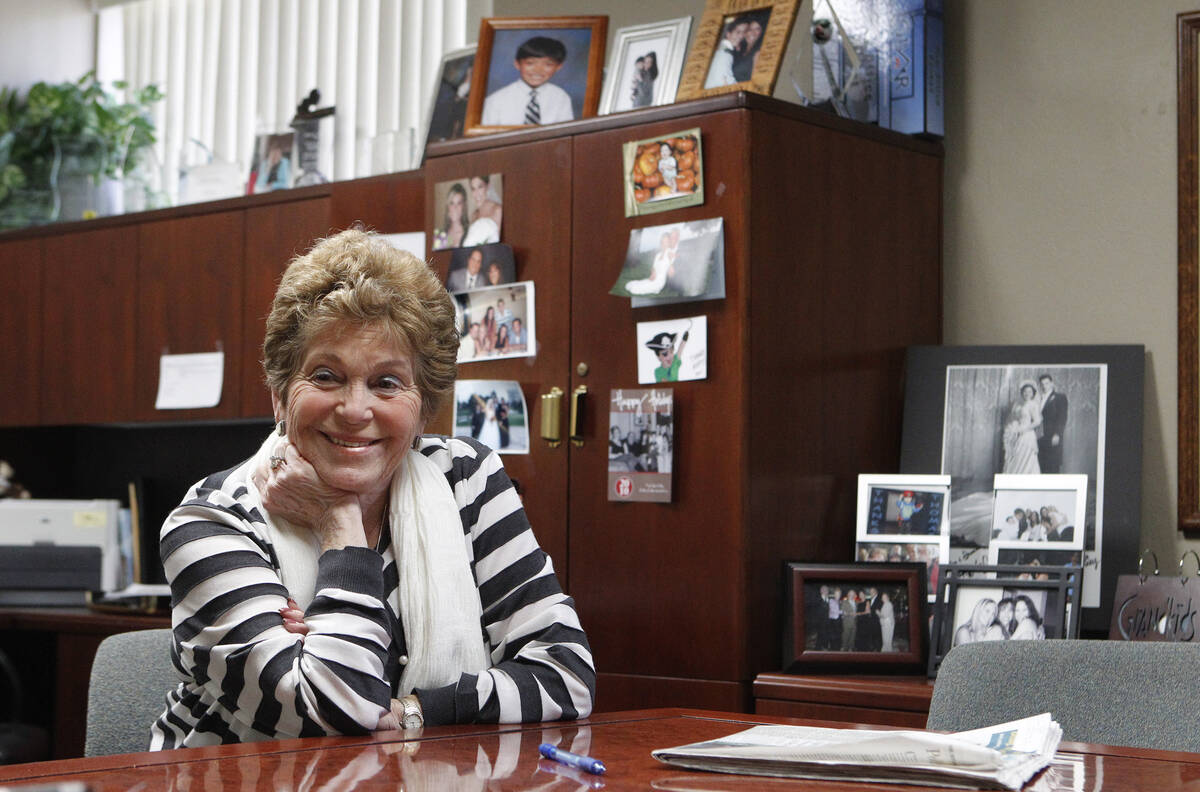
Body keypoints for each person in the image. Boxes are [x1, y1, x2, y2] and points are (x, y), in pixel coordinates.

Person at [149, 229, 593, 749]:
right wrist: (339, 524)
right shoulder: (211, 521)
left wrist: (418, 709)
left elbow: (567, 675)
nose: (355, 410)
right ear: (278, 395)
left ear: (424, 408)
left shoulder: (465, 478)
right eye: (326, 375)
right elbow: (334, 713)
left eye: (386, 382)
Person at [482, 36, 574, 126]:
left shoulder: (561, 97)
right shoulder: (495, 101)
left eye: (548, 64)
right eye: (530, 63)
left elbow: (566, 135)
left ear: (558, 67)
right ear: (517, 64)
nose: (538, 70)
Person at [1002, 381, 1042, 474]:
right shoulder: (1018, 405)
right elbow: (1015, 419)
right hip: (1017, 433)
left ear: (1033, 393)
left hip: (1027, 434)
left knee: (1025, 457)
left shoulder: (1033, 404)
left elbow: (1037, 421)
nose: (1027, 394)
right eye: (1025, 391)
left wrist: (1023, 429)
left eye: (1029, 392)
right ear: (1022, 392)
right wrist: (1013, 427)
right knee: (1015, 456)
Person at [626, 229, 679, 295]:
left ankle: (654, 288)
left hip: (659, 282)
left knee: (634, 290)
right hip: (653, 279)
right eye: (662, 241)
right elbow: (653, 267)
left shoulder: (670, 253)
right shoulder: (658, 255)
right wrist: (653, 272)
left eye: (666, 241)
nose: (664, 244)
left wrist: (670, 264)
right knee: (630, 285)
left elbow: (671, 273)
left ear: (669, 243)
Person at [704, 17, 748, 88]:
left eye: (743, 32)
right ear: (728, 34)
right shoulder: (725, 53)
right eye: (738, 32)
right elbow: (723, 81)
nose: (741, 36)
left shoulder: (720, 49)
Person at [1038, 373, 1068, 473]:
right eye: (1042, 384)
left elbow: (1062, 417)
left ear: (1052, 384)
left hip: (1052, 436)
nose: (1044, 386)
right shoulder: (1038, 398)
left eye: (1046, 383)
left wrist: (1057, 434)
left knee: (1052, 464)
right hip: (1039, 436)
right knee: (1040, 463)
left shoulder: (1059, 397)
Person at [432, 183, 470, 250]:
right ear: (448, 206)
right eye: (452, 203)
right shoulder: (440, 235)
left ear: (464, 206)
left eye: (459, 203)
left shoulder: (470, 232)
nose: (455, 208)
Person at [732, 18, 764, 82]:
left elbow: (756, 81)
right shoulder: (739, 50)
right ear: (745, 32)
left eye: (757, 29)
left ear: (761, 33)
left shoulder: (758, 53)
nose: (752, 32)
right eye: (750, 29)